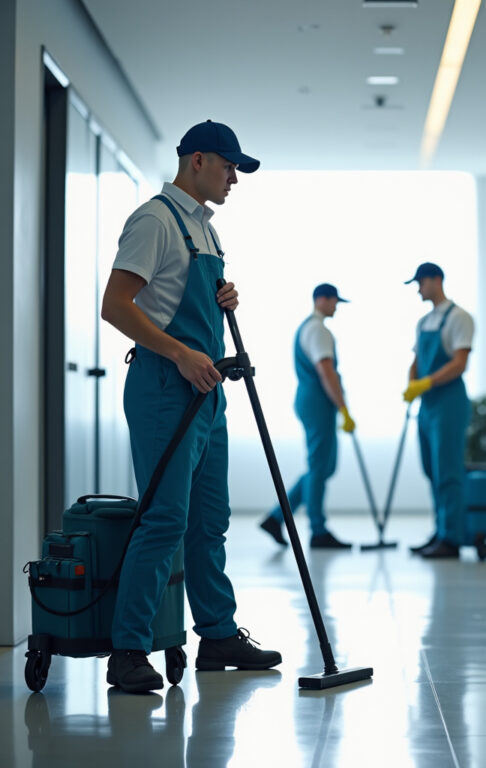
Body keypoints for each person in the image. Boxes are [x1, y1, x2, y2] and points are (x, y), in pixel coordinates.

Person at [101, 120, 282, 694]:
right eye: (229, 166)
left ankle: (218, 634)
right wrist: (179, 353)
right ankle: (128, 647)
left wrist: (222, 294)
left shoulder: (205, 229)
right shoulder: (155, 220)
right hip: (164, 385)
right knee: (165, 519)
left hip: (207, 388)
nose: (234, 178)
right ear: (196, 160)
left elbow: (177, 294)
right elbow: (115, 305)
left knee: (209, 521)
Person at [259, 284, 355, 549]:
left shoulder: (309, 328)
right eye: (335, 301)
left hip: (313, 400)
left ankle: (276, 518)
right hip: (317, 402)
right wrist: (344, 407)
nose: (336, 306)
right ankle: (318, 530)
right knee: (319, 467)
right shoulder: (318, 330)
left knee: (321, 467)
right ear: (322, 299)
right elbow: (326, 371)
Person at [403, 263, 474, 559]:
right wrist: (411, 385)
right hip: (427, 406)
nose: (418, 289)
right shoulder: (423, 322)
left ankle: (452, 538)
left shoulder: (459, 318)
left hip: (449, 403)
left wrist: (427, 383)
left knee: (448, 472)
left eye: (421, 283)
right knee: (432, 471)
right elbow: (417, 360)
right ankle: (440, 531)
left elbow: (459, 363)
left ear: (436, 280)